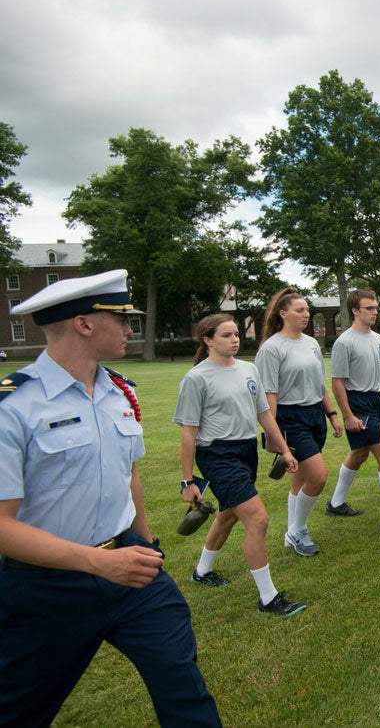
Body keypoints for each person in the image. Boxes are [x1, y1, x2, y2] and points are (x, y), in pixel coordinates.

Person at [0, 269, 221, 726]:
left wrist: (145, 542)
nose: (129, 329)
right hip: (45, 587)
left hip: (131, 567)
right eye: (121, 319)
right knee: (21, 708)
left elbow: (129, 475)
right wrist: (97, 563)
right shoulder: (14, 407)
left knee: (183, 687)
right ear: (83, 324)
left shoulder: (117, 389)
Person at [174, 313, 305, 616]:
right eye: (226, 335)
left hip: (246, 450)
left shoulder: (248, 369)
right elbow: (188, 434)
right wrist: (187, 481)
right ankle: (268, 598)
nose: (234, 340)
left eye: (236, 334)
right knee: (257, 519)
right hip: (217, 455)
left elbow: (263, 413)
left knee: (229, 513)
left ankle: (202, 572)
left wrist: (284, 451)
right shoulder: (196, 378)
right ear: (207, 340)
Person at [255, 287, 344, 557]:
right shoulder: (271, 349)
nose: (306, 314)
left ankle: (290, 532)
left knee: (299, 481)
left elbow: (319, 385)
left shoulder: (311, 343)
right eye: (300, 310)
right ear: (283, 314)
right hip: (289, 418)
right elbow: (268, 395)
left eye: (307, 310)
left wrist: (331, 414)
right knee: (317, 477)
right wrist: (272, 436)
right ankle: (297, 531)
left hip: (314, 415)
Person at [328, 289, 380, 517]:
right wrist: (348, 415)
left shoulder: (379, 339)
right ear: (355, 311)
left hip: (377, 400)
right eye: (369, 308)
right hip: (357, 402)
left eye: (376, 308)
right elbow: (337, 383)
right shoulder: (344, 342)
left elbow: (377, 375)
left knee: (360, 453)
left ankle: (335, 504)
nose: (375, 312)